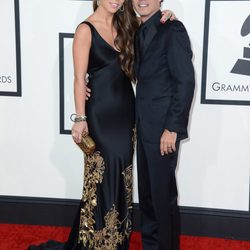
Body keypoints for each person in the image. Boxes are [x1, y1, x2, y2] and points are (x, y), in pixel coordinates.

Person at [28, 0, 174, 249]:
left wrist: (167, 14)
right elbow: (78, 78)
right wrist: (80, 118)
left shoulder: (127, 24)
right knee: (102, 176)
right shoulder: (85, 30)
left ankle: (116, 240)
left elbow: (151, 22)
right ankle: (95, 242)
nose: (116, 0)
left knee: (123, 175)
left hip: (127, 113)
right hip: (100, 115)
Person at [133, 0, 195, 249]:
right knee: (147, 197)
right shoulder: (138, 31)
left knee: (162, 198)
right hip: (143, 128)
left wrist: (172, 128)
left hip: (163, 132)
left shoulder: (173, 29)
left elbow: (185, 82)